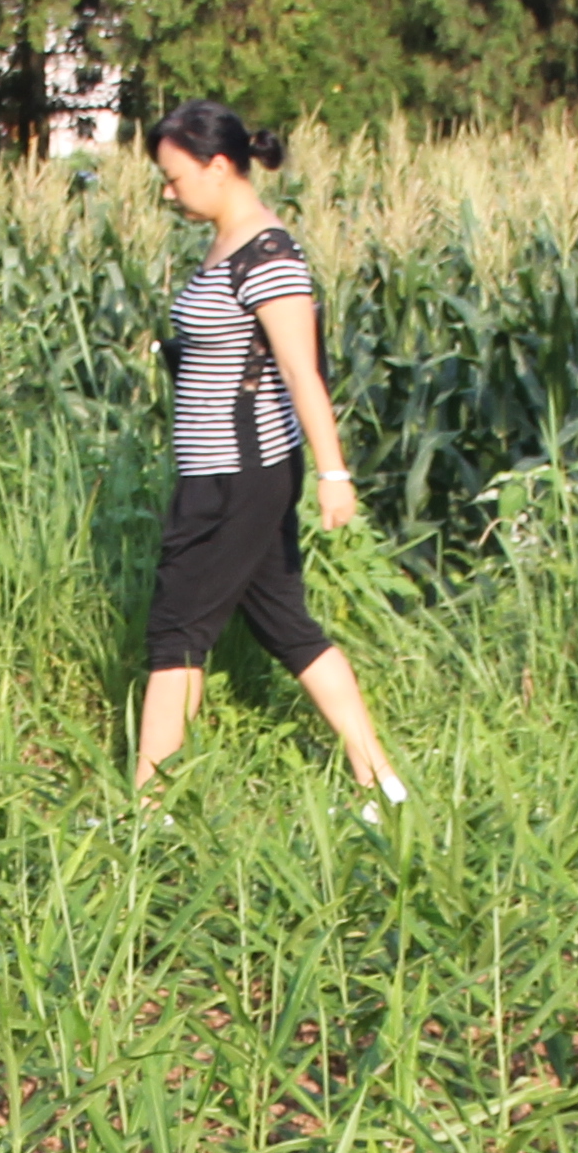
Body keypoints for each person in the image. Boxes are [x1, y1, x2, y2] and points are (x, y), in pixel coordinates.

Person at [135, 101, 406, 810]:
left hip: (238, 474)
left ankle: (144, 813)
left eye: (174, 177)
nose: (169, 192)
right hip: (219, 470)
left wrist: (334, 473)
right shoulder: (228, 242)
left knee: (177, 631)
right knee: (286, 625)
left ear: (217, 167)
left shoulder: (267, 253)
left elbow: (300, 370)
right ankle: (380, 780)